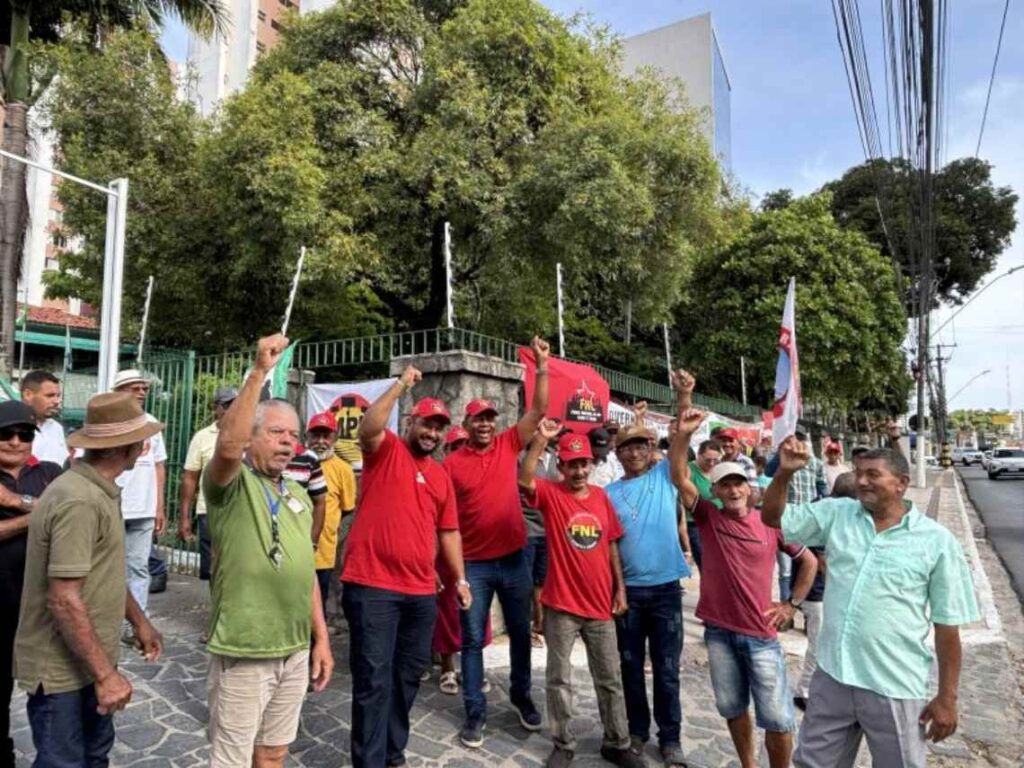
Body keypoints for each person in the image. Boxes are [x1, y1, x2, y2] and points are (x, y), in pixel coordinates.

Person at [763, 440, 980, 768]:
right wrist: (783, 475)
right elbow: (772, 518)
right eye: (859, 473)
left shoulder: (937, 542)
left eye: (873, 474)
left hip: (893, 684)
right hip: (833, 675)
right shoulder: (838, 513)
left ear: (901, 484)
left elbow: (948, 627)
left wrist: (947, 697)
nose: (862, 481)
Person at [202, 335, 334, 768]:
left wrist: (321, 638)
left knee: (274, 753)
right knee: (232, 759)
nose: (287, 443)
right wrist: (258, 372)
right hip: (245, 648)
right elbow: (226, 446)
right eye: (276, 432)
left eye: (293, 436)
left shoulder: (297, 492)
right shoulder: (230, 484)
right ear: (252, 437)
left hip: (293, 649)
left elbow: (306, 571)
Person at [14, 392, 164, 767]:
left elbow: (105, 570)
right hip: (64, 670)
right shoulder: (79, 499)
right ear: (127, 447)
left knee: (95, 756)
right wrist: (106, 676)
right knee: (65, 761)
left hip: (88, 659)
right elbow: (63, 599)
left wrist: (139, 621)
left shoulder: (98, 489)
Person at [342, 366, 471, 768]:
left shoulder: (441, 478)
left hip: (420, 592)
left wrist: (460, 579)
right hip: (372, 585)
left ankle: (393, 752)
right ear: (411, 421)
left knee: (409, 675)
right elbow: (368, 427)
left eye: (439, 428)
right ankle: (369, 761)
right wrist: (401, 385)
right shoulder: (386, 451)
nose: (432, 433)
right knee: (373, 681)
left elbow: (448, 532)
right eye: (426, 424)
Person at [677, 414, 817, 768]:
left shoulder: (771, 521)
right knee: (733, 708)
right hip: (719, 633)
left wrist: (791, 604)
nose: (734, 490)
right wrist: (683, 434)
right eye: (726, 485)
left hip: (761, 635)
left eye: (740, 484)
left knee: (779, 719)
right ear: (717, 492)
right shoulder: (709, 516)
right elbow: (679, 475)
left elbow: (810, 562)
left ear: (751, 490)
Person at [444, 336, 550, 746]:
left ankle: (522, 697)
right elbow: (446, 523)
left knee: (521, 633)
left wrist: (541, 365)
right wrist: (455, 574)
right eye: (478, 419)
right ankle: (475, 712)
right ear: (466, 425)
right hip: (474, 565)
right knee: (471, 639)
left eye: (490, 417)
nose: (485, 423)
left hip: (513, 559)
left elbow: (538, 409)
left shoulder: (508, 443)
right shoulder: (452, 464)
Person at [519, 422, 643, 768]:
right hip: (561, 605)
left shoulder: (602, 498)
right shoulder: (551, 494)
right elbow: (524, 478)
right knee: (559, 679)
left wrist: (620, 589)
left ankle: (616, 742)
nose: (578, 470)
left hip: (600, 605)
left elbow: (611, 546)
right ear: (561, 466)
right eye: (571, 464)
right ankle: (563, 743)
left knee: (609, 678)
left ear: (592, 464)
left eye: (583, 464)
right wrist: (541, 438)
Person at [605, 370, 694, 767]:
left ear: (650, 450)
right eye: (628, 447)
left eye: (642, 446)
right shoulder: (608, 494)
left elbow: (681, 438)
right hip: (629, 594)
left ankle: (670, 737)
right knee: (629, 668)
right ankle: (637, 731)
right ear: (618, 453)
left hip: (665, 591)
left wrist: (683, 396)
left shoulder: (665, 476)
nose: (635, 452)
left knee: (668, 669)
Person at [0, 401, 63, 768]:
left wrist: (13, 502)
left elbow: (66, 515)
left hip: (43, 610)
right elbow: (52, 513)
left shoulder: (52, 472)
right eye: (6, 434)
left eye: (24, 434)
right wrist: (37, 515)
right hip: (1, 606)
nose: (15, 442)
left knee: (49, 693)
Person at [433, 426, 490, 694]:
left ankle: (474, 667)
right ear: (446, 451)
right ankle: (447, 667)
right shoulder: (438, 476)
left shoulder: (480, 475)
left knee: (478, 609)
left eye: (463, 446)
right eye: (454, 446)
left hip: (477, 551)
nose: (459, 451)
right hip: (446, 552)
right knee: (447, 609)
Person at [111, 369, 167, 637]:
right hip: (113, 506)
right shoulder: (109, 421)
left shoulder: (151, 423)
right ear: (119, 391)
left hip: (143, 508)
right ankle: (111, 620)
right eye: (135, 388)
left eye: (144, 388)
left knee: (139, 566)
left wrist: (159, 506)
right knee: (110, 567)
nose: (142, 392)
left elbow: (159, 466)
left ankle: (136, 621)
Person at [179, 387, 237, 601]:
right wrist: (184, 517)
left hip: (241, 512)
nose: (233, 409)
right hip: (210, 512)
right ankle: (216, 620)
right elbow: (189, 478)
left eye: (236, 404)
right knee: (214, 570)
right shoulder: (202, 438)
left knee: (240, 567)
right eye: (227, 405)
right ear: (216, 409)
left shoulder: (250, 434)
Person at [306, 412, 357, 624]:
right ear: (307, 436)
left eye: (325, 436)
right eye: (315, 435)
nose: (320, 441)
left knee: (317, 610)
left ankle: (314, 651)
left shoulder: (344, 470)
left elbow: (347, 508)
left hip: (322, 553)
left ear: (335, 437)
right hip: (292, 550)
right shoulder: (295, 462)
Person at [283, 441, 328, 549]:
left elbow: (319, 503)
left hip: (297, 539)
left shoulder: (308, 457)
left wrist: (312, 542)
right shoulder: (249, 455)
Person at [685, 438, 721, 571]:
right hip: (695, 523)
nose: (712, 463)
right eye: (708, 459)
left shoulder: (719, 470)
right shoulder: (689, 470)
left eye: (715, 460)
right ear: (699, 455)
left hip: (717, 521)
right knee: (704, 561)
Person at [20, 371, 68, 466]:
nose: (57, 401)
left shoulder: (57, 428)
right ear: (28, 395)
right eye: (50, 395)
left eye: (58, 395)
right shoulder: (9, 426)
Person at [711, 427, 760, 503]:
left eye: (731, 441)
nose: (727, 444)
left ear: (738, 443)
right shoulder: (716, 462)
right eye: (724, 441)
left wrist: (745, 511)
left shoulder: (745, 461)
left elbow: (754, 490)